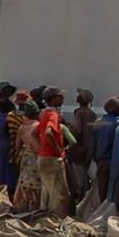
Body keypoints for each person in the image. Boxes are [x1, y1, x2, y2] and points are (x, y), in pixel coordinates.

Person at [37, 87, 70, 216]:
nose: (63, 98)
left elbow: (35, 133)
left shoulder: (43, 114)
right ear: (53, 98)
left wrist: (43, 146)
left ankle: (46, 220)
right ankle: (56, 222)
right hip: (52, 159)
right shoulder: (53, 115)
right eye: (60, 96)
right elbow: (48, 132)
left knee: (48, 192)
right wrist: (58, 151)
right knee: (60, 194)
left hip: (43, 157)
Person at [87, 97, 119, 202]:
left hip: (100, 162)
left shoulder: (98, 122)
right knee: (113, 192)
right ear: (113, 108)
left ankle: (102, 209)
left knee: (102, 190)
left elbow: (92, 143)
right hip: (113, 162)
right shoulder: (118, 123)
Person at [13, 101, 42, 212]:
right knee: (37, 184)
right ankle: (35, 208)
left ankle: (23, 207)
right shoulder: (38, 126)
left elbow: (17, 146)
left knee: (25, 182)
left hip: (26, 158)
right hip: (37, 157)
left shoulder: (22, 128)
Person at [0, 98, 19, 193]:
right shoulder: (15, 118)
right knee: (12, 167)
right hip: (13, 144)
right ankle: (12, 188)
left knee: (1, 167)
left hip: (0, 146)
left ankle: (2, 189)